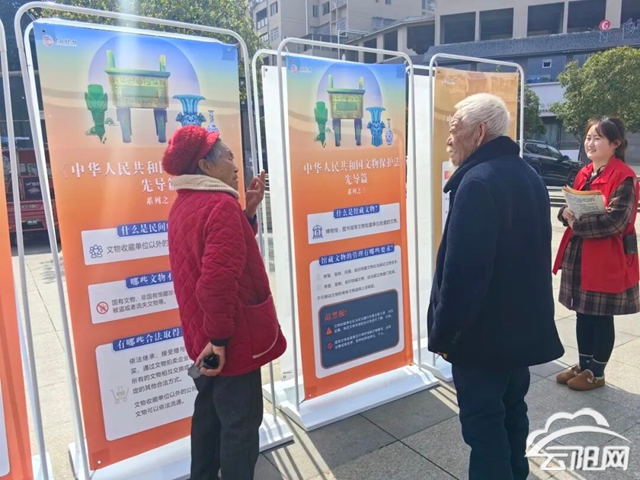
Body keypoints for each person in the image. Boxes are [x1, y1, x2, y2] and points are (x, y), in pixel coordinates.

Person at [427, 93, 564, 480]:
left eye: (454, 129)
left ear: (479, 131)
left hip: (482, 338)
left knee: (483, 427)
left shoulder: (477, 183)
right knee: (512, 414)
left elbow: (463, 276)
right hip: (517, 334)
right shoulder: (528, 175)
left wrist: (447, 335)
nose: (449, 139)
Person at [163, 125, 286, 480]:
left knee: (209, 417)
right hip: (229, 339)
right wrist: (219, 342)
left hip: (202, 334)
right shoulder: (220, 206)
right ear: (205, 165)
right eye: (229, 157)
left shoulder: (184, 204)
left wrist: (249, 212)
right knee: (240, 425)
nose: (236, 165)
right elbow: (216, 283)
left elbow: (225, 255)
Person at [554, 117, 639, 391]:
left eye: (597, 138)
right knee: (583, 312)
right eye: (588, 137)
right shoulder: (585, 172)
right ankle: (584, 364)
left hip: (606, 258)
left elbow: (615, 221)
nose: (590, 143)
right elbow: (572, 206)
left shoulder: (624, 176)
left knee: (601, 316)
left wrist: (576, 223)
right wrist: (565, 213)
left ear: (615, 143)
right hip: (581, 254)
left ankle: (597, 373)